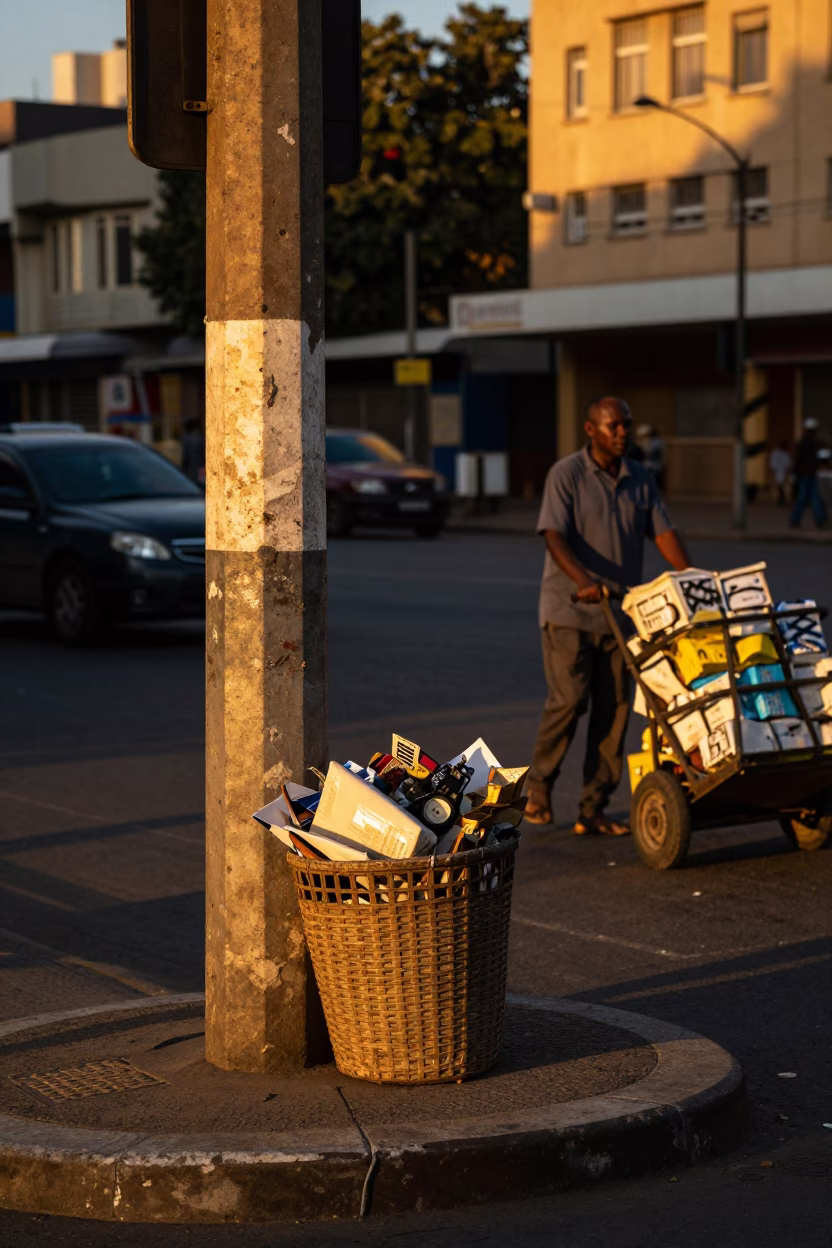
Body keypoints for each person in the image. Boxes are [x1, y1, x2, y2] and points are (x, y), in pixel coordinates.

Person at [525, 397, 691, 835]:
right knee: (570, 700)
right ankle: (539, 789)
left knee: (615, 710)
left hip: (620, 613)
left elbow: (664, 533)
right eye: (613, 426)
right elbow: (554, 536)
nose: (622, 432)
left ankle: (592, 807)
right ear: (591, 430)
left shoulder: (640, 479)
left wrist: (693, 580)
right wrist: (581, 578)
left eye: (626, 426)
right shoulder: (567, 474)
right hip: (569, 609)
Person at [789, 419, 826, 529]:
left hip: (807, 474)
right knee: (811, 497)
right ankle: (819, 520)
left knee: (805, 497)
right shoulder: (814, 444)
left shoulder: (805, 443)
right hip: (808, 474)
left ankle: (797, 520)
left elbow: (797, 460)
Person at [635, 423, 667, 494]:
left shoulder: (657, 442)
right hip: (649, 466)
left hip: (654, 467)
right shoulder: (648, 442)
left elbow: (647, 452)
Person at [181, 418, 206, 485]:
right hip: (200, 465)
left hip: (191, 466)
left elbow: (185, 455)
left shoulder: (187, 439)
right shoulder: (200, 437)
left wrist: (184, 467)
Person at [768, 440, 792, 506]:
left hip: (781, 472)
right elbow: (773, 463)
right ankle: (779, 500)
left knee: (781, 487)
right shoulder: (777, 453)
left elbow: (787, 464)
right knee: (778, 487)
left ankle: (781, 500)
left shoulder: (783, 454)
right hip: (778, 472)